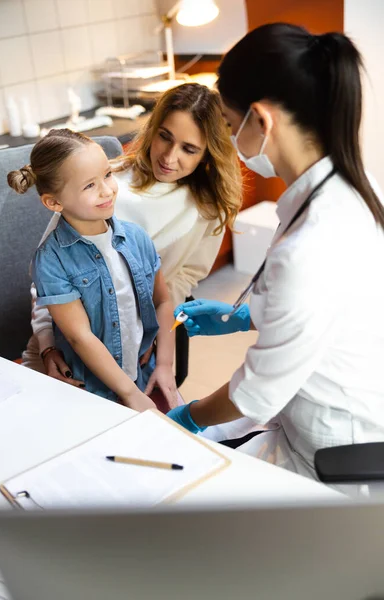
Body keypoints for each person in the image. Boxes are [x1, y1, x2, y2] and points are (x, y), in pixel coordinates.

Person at [167, 23, 384, 480]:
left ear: (261, 121)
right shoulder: (344, 187)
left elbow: (253, 395)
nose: (228, 138)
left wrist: (189, 418)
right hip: (315, 407)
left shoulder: (314, 243)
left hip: (332, 450)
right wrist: (247, 315)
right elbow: (331, 306)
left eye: (227, 123)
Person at [22, 83, 242, 401]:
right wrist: (47, 345)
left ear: (208, 154)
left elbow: (182, 280)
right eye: (164, 136)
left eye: (189, 149)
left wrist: (151, 331)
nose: (169, 156)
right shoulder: (105, 186)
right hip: (66, 349)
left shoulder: (209, 208)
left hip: (136, 348)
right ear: (153, 129)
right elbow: (44, 286)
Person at [8, 129, 175, 412]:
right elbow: (79, 337)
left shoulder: (136, 238)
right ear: (54, 202)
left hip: (140, 372)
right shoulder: (51, 259)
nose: (107, 190)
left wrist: (166, 365)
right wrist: (130, 394)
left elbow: (163, 300)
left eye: (107, 175)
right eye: (89, 186)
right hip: (90, 390)